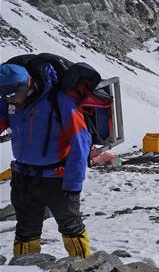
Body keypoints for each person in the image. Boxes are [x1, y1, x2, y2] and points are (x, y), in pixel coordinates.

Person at [0, 62, 92, 258]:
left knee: (70, 226)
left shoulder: (60, 102)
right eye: (4, 96)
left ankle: (84, 269)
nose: (9, 100)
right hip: (23, 177)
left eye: (11, 96)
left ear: (27, 85)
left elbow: (81, 142)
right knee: (26, 229)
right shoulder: (10, 102)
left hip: (57, 178)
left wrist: (73, 183)